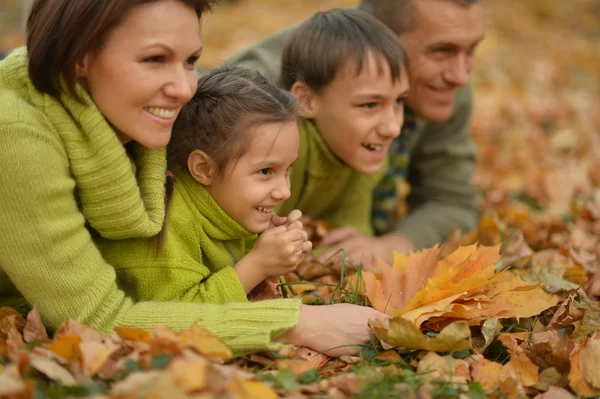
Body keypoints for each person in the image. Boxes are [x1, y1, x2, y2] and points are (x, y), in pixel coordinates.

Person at [0, 0, 387, 357]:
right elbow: (93, 320)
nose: (185, 88)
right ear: (79, 59)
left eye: (190, 61)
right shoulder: (16, 133)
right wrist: (291, 324)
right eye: (154, 59)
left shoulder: (129, 121)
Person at [226, 0, 484, 265]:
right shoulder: (261, 88)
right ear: (382, 38)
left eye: (472, 49)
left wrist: (391, 246)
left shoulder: (446, 91)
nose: (460, 76)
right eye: (441, 51)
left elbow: (452, 199)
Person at [96, 65, 311, 304]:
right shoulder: (167, 230)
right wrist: (257, 265)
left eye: (287, 169)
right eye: (265, 171)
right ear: (204, 169)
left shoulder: (227, 207)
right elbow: (181, 319)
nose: (285, 191)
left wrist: (273, 266)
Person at [275, 9, 409, 242]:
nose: (393, 128)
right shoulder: (278, 146)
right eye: (369, 105)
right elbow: (241, 242)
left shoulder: (365, 153)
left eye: (399, 101)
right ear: (306, 101)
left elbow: (349, 241)